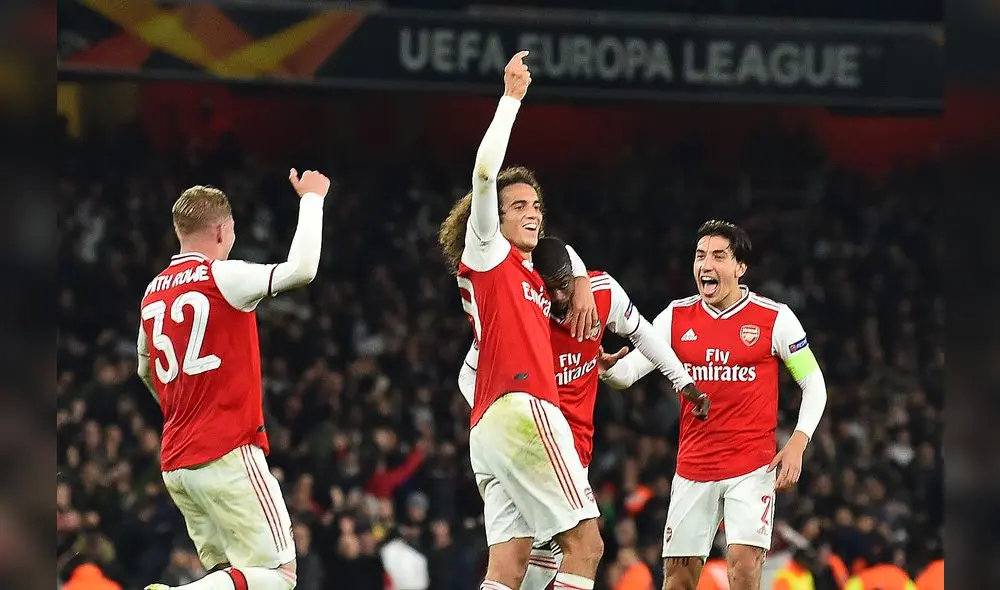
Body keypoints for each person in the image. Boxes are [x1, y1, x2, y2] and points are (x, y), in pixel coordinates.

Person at [436, 51, 603, 590]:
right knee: (587, 546)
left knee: (507, 568)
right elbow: (485, 173)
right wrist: (511, 99)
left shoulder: (525, 281)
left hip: (488, 425)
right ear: (494, 218)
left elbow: (564, 259)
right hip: (523, 408)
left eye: (537, 205)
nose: (533, 212)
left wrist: (576, 282)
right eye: (520, 205)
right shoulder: (487, 253)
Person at [459, 236, 709, 589]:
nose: (559, 298)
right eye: (550, 290)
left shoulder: (601, 292)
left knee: (519, 565)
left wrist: (684, 382)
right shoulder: (520, 310)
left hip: (574, 448)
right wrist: (501, 415)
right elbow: (468, 373)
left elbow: (643, 333)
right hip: (536, 441)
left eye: (565, 286)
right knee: (585, 547)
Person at [600, 220, 829, 590]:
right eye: (700, 256)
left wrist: (798, 443)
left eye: (719, 256)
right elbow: (627, 375)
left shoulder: (775, 318)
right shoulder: (675, 318)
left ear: (740, 267)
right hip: (693, 468)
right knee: (678, 580)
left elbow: (814, 383)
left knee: (744, 569)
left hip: (752, 468)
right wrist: (606, 369)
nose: (706, 265)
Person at [137, 170, 331, 590]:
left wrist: (184, 409)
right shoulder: (221, 277)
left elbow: (145, 368)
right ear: (224, 230)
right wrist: (312, 199)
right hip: (227, 452)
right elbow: (302, 269)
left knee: (234, 578)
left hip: (178, 463)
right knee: (279, 576)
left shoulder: (153, 292)